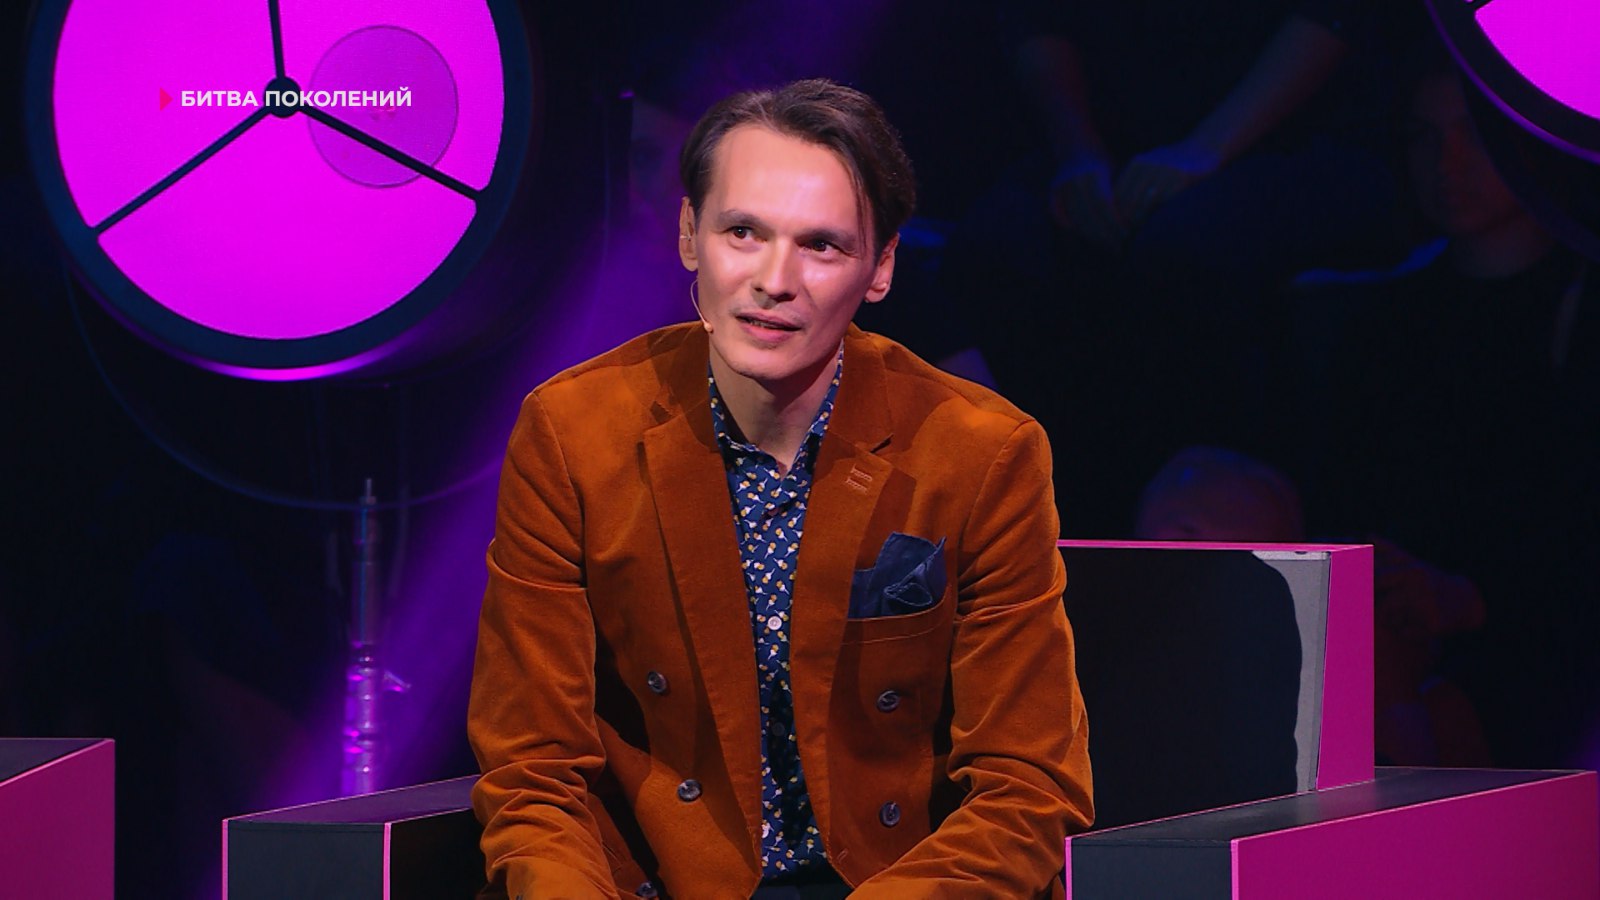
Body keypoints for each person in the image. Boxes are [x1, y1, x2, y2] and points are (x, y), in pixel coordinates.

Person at [468, 79, 1093, 899]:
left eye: (821, 246)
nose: (774, 279)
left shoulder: (982, 452)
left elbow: (1028, 784)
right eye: (743, 232)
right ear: (689, 234)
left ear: (881, 267)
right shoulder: (572, 433)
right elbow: (533, 768)